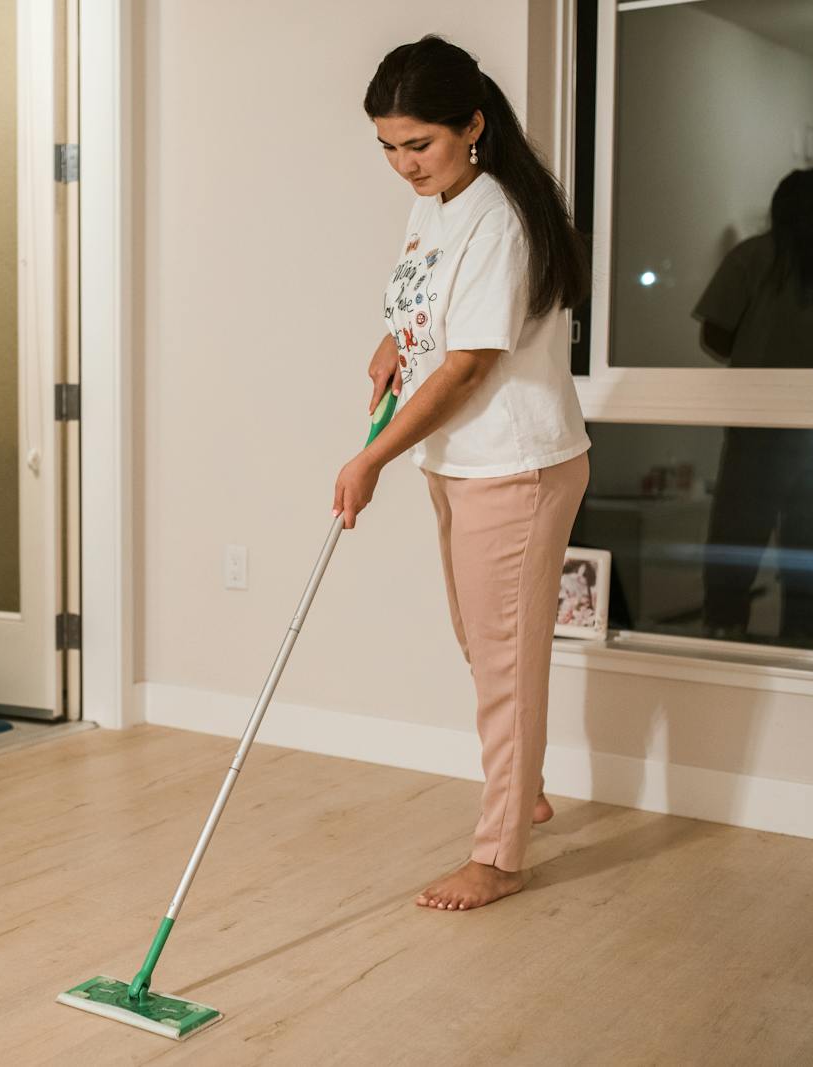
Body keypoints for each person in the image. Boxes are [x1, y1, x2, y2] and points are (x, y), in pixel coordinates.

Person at [332, 35, 592, 911]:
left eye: (420, 144)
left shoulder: (500, 219)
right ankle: (527, 790)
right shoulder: (438, 203)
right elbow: (429, 313)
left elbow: (471, 365)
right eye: (388, 148)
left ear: (472, 125)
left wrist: (371, 455)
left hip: (514, 466)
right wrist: (392, 340)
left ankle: (500, 854)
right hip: (463, 460)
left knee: (506, 662)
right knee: (484, 647)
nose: (404, 164)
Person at [693, 168, 813, 646]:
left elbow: (714, 333)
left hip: (760, 423)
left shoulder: (753, 257)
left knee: (737, 534)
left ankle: (724, 630)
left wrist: (759, 347)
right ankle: (803, 637)